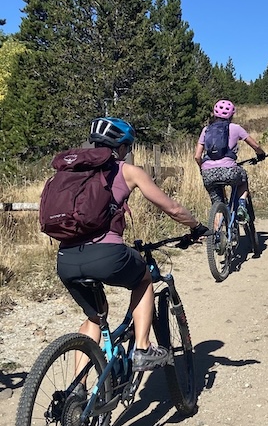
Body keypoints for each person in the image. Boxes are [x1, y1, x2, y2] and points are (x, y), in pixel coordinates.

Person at [57, 117, 207, 372]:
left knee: (95, 317)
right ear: (122, 147)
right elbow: (172, 208)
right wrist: (196, 226)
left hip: (66, 259)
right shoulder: (127, 171)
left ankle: (78, 390)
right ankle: (142, 349)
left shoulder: (70, 172)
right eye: (128, 147)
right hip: (107, 255)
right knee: (144, 279)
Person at [194, 100, 266, 222]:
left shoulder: (206, 130)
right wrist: (261, 154)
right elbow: (255, 145)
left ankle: (216, 233)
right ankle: (241, 204)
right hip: (229, 170)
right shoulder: (236, 128)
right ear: (232, 115)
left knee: (217, 204)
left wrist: (202, 169)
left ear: (214, 113)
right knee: (243, 177)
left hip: (208, 173)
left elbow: (197, 156)